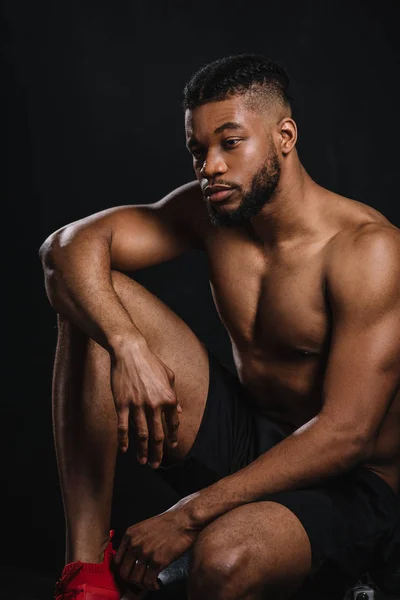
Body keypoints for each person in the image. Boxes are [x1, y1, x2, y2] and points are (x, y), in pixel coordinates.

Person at [40, 53, 400, 600]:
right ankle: (85, 579)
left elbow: (345, 437)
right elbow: (65, 250)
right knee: (90, 299)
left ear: (284, 135)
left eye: (230, 142)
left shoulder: (368, 252)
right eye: (197, 149)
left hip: (354, 483)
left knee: (223, 560)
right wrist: (127, 345)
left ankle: (351, 576)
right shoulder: (212, 216)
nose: (209, 166)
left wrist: (186, 516)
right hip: (253, 440)